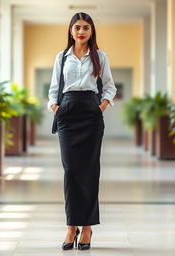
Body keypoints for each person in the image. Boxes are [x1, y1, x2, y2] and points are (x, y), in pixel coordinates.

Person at [47, 12, 117, 250]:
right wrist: (56, 108)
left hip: (90, 115)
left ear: (91, 31)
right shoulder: (62, 57)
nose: (81, 31)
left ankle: (86, 228)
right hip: (67, 115)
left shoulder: (100, 57)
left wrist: (100, 108)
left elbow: (109, 87)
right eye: (77, 27)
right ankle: (70, 227)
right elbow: (54, 88)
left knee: (89, 170)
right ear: (70, 30)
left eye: (86, 27)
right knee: (71, 171)